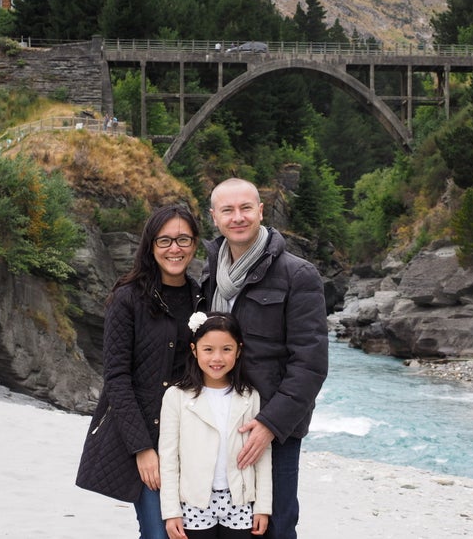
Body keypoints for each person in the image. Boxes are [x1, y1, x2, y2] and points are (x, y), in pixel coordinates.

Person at [201, 177, 328, 539]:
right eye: (227, 210)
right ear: (214, 217)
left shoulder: (297, 274)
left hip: (273, 428)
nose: (237, 217)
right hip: (220, 419)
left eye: (245, 208)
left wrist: (270, 424)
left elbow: (311, 363)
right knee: (225, 525)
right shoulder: (210, 274)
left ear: (260, 211)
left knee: (275, 525)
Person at [76, 204, 204, 539]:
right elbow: (117, 377)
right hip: (143, 434)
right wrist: (143, 449)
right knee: (158, 532)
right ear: (150, 245)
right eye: (164, 240)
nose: (174, 248)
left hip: (190, 438)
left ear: (194, 244)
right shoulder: (128, 298)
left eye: (183, 240)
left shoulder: (201, 299)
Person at [159, 311, 272, 539]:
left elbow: (262, 454)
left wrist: (263, 506)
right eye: (208, 349)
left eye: (226, 349)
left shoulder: (250, 397)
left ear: (239, 350)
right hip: (194, 502)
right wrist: (171, 511)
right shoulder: (176, 396)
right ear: (194, 350)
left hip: (239, 501)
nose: (217, 358)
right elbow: (169, 458)